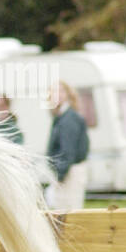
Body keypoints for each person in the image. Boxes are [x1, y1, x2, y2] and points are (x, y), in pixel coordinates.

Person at [45, 82, 89, 212]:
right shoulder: (60, 116)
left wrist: (59, 176)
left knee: (69, 212)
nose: (56, 95)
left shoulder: (69, 118)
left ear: (68, 95)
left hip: (70, 172)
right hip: (66, 171)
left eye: (60, 91)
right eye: (53, 92)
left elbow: (67, 150)